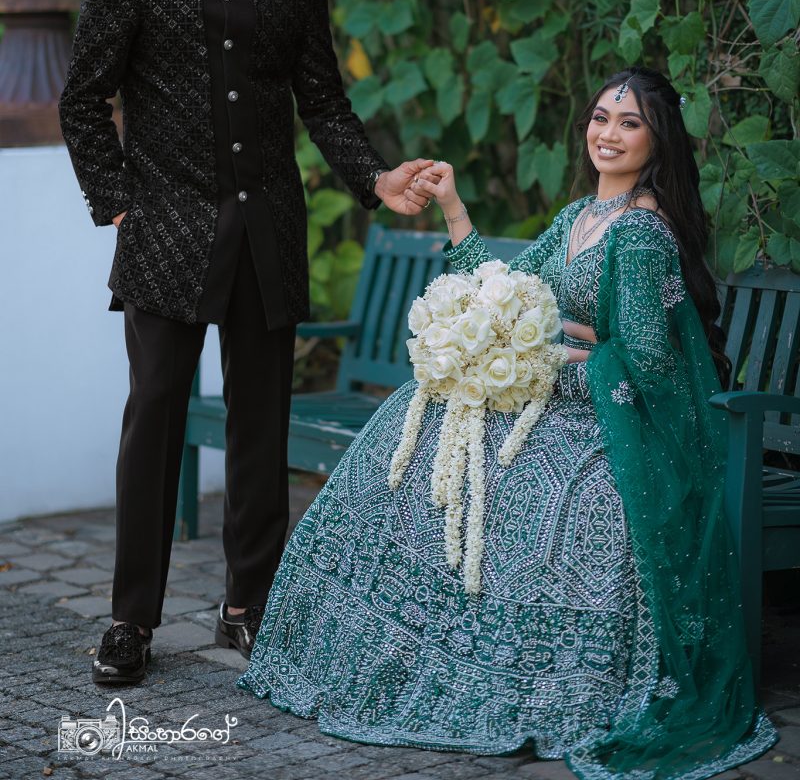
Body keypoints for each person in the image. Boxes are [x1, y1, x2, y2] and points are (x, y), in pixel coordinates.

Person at [237, 66, 776, 779]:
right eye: (601, 117)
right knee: (418, 421)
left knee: (525, 481)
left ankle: (500, 669)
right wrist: (456, 215)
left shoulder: (641, 232)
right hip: (552, 398)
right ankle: (405, 648)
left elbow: (647, 364)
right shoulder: (580, 215)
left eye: (630, 123)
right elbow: (506, 288)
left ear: (659, 139)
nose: (608, 134)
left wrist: (550, 360)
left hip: (613, 424)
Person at [58, 0, 434, 686]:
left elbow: (323, 102)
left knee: (260, 424)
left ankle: (249, 608)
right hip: (165, 231)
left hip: (266, 227)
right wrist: (117, 202)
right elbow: (84, 96)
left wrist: (375, 179)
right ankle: (130, 620)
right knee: (154, 417)